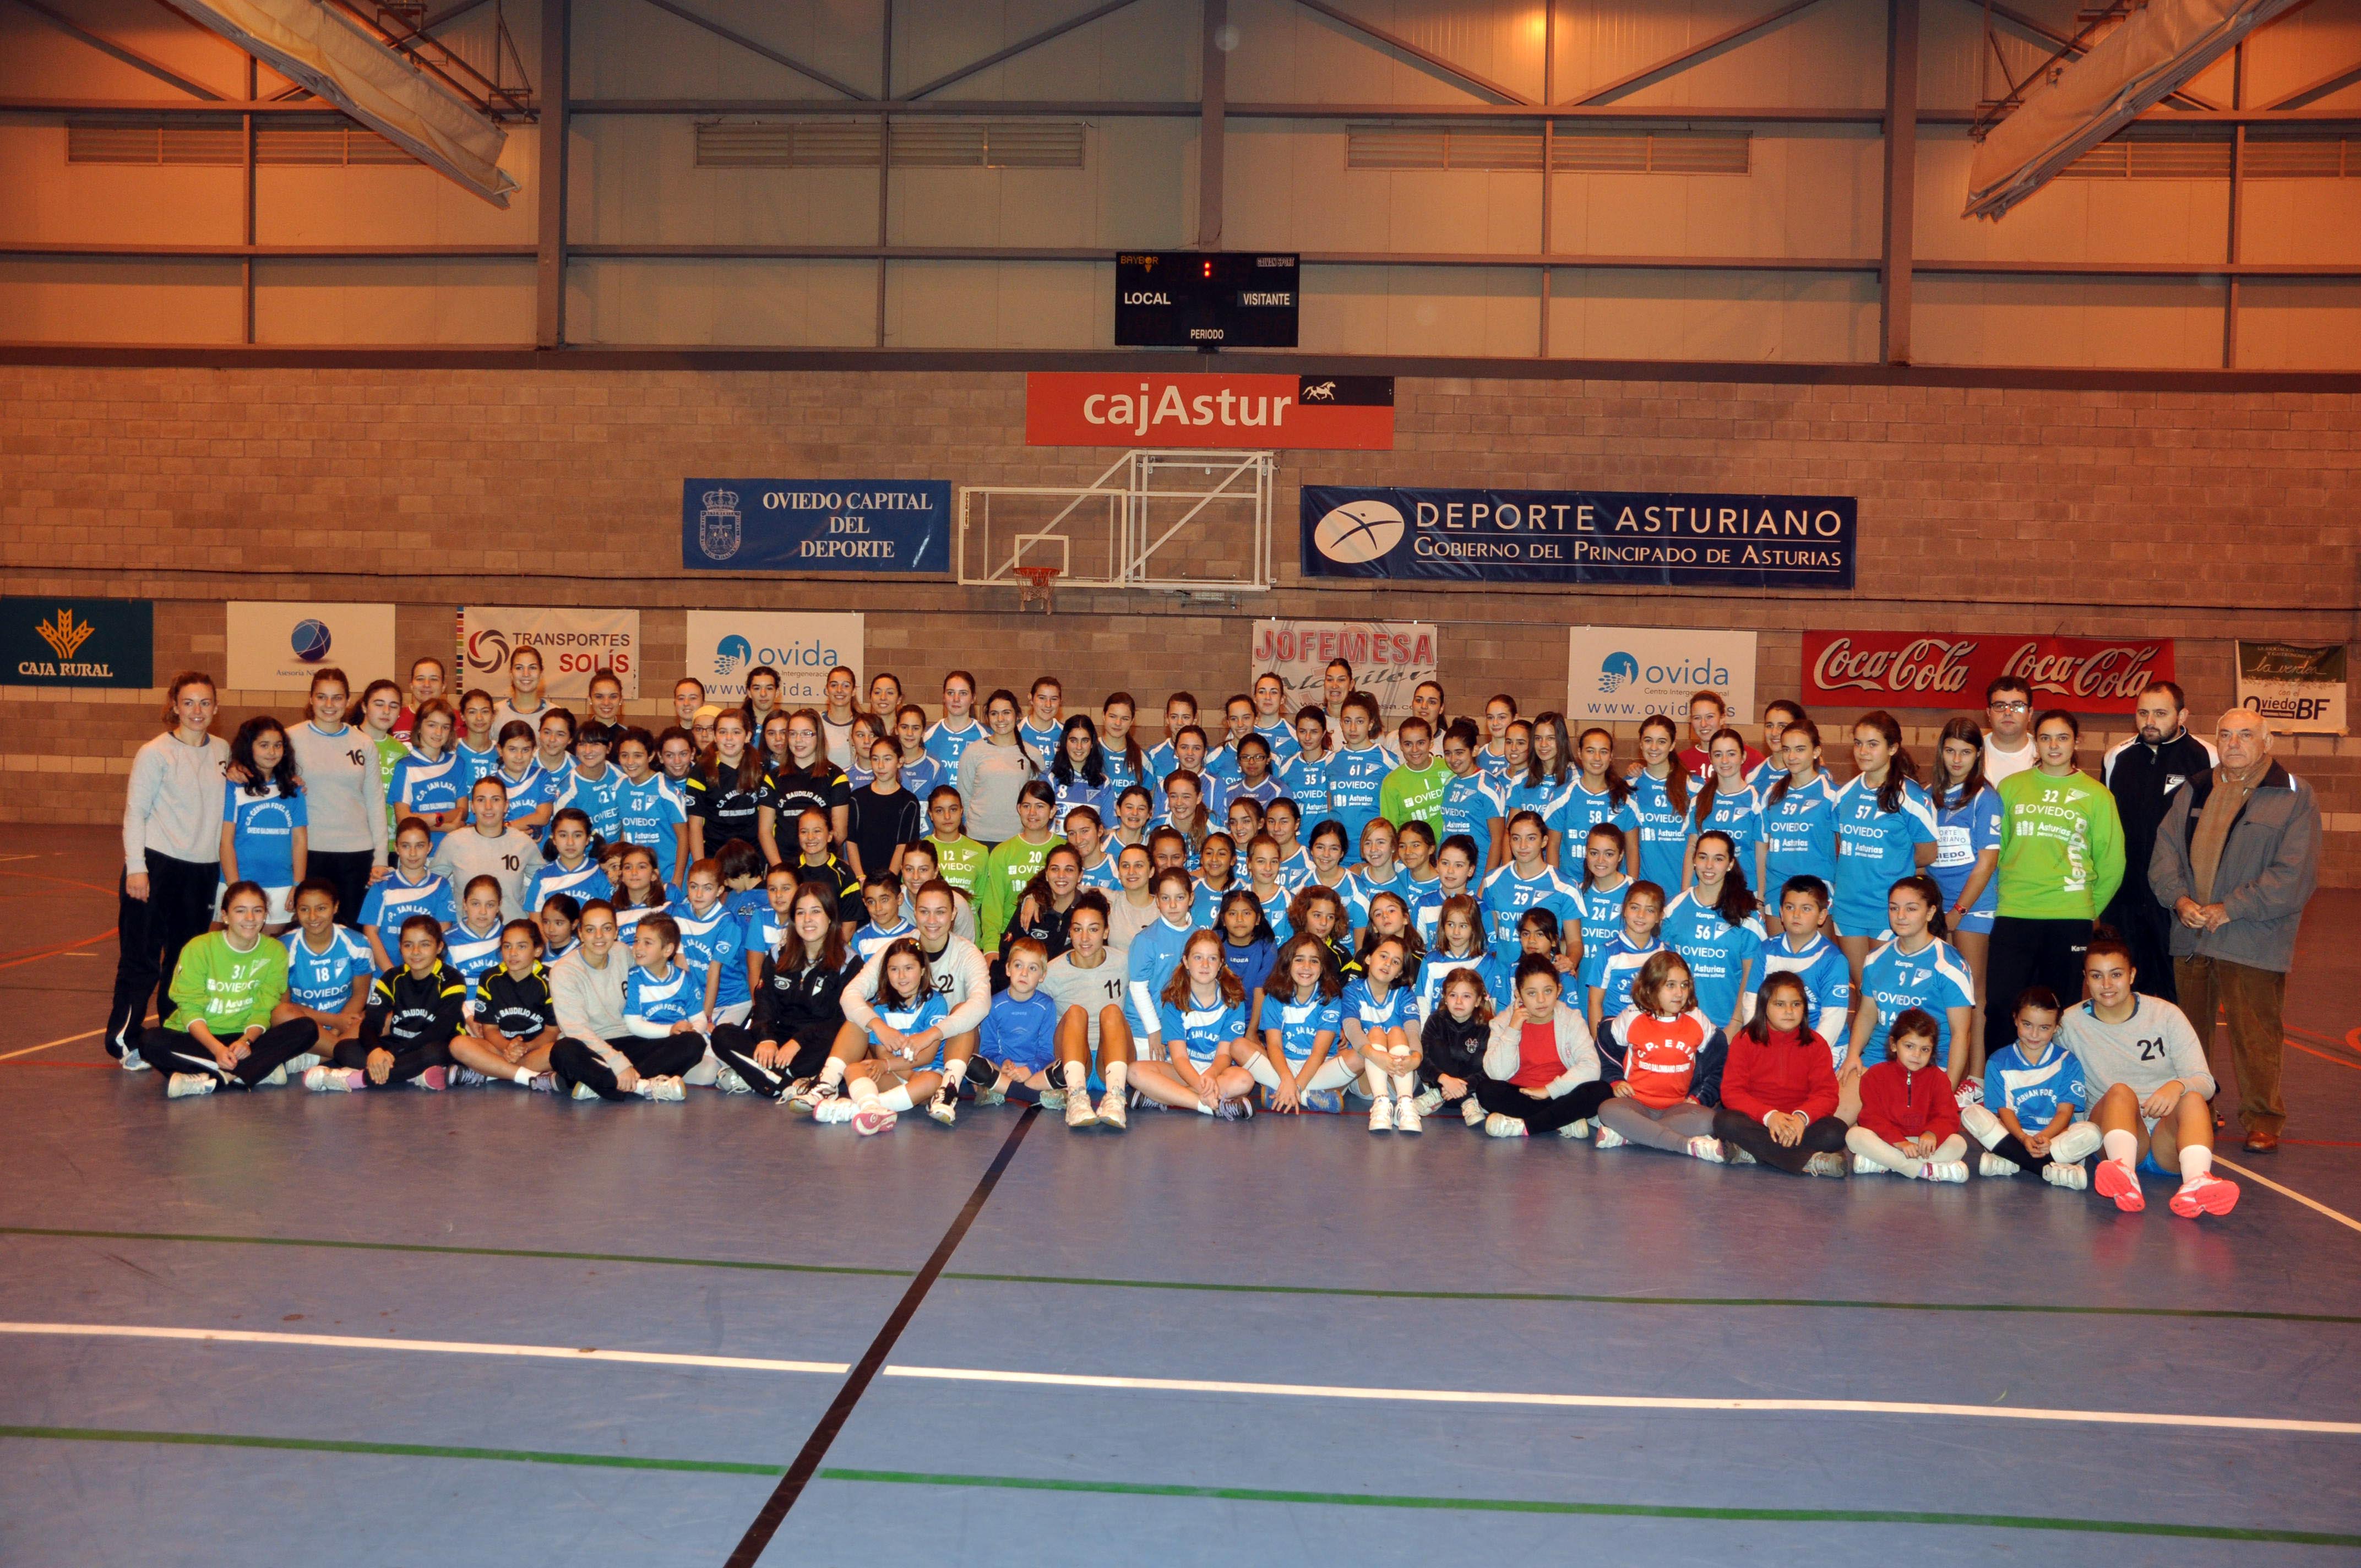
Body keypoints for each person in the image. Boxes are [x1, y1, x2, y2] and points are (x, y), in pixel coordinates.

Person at [2147, 706, 2318, 1153]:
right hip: (2192, 935)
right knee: (2189, 1035)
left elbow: (2294, 875)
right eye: (2226, 735)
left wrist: (2232, 908)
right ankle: (2197, 1109)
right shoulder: (2195, 788)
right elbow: (2165, 852)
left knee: (2256, 1034)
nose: (2234, 743)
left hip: (2252, 937)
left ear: (2267, 742)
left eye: (2246, 735)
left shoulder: (2294, 794)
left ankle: (2263, 1118)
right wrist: (2180, 900)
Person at [2058, 938, 2238, 1216]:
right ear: (2086, 978)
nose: (2107, 985)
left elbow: (2205, 1082)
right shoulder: (2069, 1024)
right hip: (2112, 1134)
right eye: (2096, 976)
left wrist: (2177, 1086)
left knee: (2192, 1098)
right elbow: (2047, 1074)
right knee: (2120, 1091)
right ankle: (2123, 1174)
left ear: (2132, 975)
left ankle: (2196, 1184)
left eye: (2116, 974)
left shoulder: (2166, 1015)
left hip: (2168, 1142)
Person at [1985, 709, 2124, 1063]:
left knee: (2061, 1009)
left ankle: (2057, 1080)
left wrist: (2087, 909)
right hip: (2015, 912)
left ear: (2076, 742)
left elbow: (2112, 863)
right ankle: (2001, 1078)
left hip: (2069, 916)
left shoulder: (2097, 795)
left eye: (2063, 738)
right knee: (2001, 1004)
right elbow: (1999, 850)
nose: (2054, 746)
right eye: (2046, 738)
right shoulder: (2012, 787)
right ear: (2036, 742)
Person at [110, 672, 232, 1068]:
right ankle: (124, 1042)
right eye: (189, 703)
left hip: (202, 873)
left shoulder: (224, 751)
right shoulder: (155, 752)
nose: (197, 711)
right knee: (141, 959)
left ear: (215, 707)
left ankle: (171, 1034)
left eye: (205, 703)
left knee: (183, 962)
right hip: (156, 866)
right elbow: (135, 813)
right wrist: (137, 867)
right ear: (175, 707)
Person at [146, 880, 322, 1099]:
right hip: (200, 1037)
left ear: (265, 915)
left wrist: (247, 1041)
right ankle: (258, 1070)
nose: (250, 918)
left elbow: (264, 1008)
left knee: (306, 1028)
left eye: (257, 910)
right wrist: (218, 1049)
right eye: (240, 911)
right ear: (225, 916)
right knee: (150, 1041)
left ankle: (219, 1078)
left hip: (244, 1038)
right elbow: (190, 1008)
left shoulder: (275, 951)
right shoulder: (200, 948)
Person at [2102, 681, 2218, 1006]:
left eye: (2160, 713)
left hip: (2179, 897)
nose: (2149, 721)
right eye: (2143, 713)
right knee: (2125, 985)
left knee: (2177, 989)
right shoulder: (2116, 757)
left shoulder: (2208, 757)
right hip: (2125, 896)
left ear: (2182, 715)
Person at [717, 879, 862, 1099]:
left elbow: (841, 1021)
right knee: (722, 1035)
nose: (808, 919)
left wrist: (798, 1042)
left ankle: (763, 1077)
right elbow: (764, 1003)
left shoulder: (849, 963)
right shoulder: (779, 954)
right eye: (801, 913)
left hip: (814, 1045)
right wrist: (767, 1039)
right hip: (778, 1041)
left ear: (830, 916)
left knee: (837, 1043)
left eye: (816, 911)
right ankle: (788, 1084)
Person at [1829, 711, 1936, 983]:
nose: (1863, 751)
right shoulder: (1844, 794)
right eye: (1858, 743)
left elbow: (1927, 853)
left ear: (1893, 748)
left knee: (1885, 988)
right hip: (1848, 906)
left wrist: (1892, 863)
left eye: (1873, 744)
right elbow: (1842, 847)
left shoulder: (1911, 797)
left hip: (1888, 908)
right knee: (1862, 987)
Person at [1959, 987, 2103, 1188]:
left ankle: (2012, 1161)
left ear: (2056, 1027)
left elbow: (2065, 1112)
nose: (2034, 1034)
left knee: (2092, 1133)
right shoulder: (1999, 1061)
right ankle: (2049, 1170)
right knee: (1971, 1113)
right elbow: (2005, 1111)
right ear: (2016, 1019)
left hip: (2053, 1139)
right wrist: (2023, 1138)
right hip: (2014, 1136)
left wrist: (2045, 1137)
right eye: (2027, 1024)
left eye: (2044, 1027)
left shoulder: (2068, 1062)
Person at [1708, 972, 1849, 1176]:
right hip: (1758, 1122)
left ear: (1805, 1008)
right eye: (1780, 1004)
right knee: (1725, 1122)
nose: (1789, 1011)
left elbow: (1826, 1095)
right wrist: (1770, 1116)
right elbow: (1732, 1093)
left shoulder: (1817, 1044)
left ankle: (1753, 1154)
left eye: (1796, 1004)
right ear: (1764, 1007)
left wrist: (1801, 1118)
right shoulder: (1745, 1040)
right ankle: (1808, 1161)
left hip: (1799, 1126)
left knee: (1836, 1131)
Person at [549, 913, 700, 1103]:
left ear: (616, 932)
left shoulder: (623, 953)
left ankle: (599, 1085)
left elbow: (655, 975)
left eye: (606, 928)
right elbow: (577, 1031)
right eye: (590, 930)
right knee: (562, 1051)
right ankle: (643, 1087)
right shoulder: (564, 971)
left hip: (630, 1040)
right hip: (593, 1048)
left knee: (693, 1041)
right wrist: (618, 1064)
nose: (599, 936)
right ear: (580, 933)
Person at [306, 913, 465, 1092]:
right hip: (398, 1044)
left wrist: (392, 1053)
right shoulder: (392, 977)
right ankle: (412, 1074)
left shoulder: (452, 979)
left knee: (436, 1053)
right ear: (400, 947)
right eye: (408, 945)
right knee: (344, 1049)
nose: (416, 952)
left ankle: (356, 1079)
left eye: (425, 944)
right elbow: (371, 1023)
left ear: (439, 947)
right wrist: (375, 1050)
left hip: (433, 1044)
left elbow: (441, 1030)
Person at [1592, 950, 1726, 1159]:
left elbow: (1719, 1065)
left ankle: (1631, 1135)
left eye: (1684, 985)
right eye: (1670, 985)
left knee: (1710, 1121)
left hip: (1678, 1109)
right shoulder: (1632, 1016)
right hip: (1635, 1105)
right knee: (1607, 1110)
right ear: (1650, 987)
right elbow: (1605, 1045)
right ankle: (1686, 1146)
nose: (1679, 993)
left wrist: (1699, 1098)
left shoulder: (1697, 1020)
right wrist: (1615, 1080)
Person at [1849, 874, 1975, 1085]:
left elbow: (1961, 1034)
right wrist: (1853, 1056)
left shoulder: (1949, 964)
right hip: (1879, 1057)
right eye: (1894, 908)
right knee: (1837, 1105)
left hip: (1927, 1061)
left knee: (1901, 1107)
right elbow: (1867, 1014)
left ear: (1930, 912)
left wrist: (1947, 1089)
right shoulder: (1875, 959)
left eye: (1911, 909)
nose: (1900, 916)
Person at [287, 668, 389, 927]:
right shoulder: (290, 739)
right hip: (308, 851)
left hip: (356, 854)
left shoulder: (364, 743)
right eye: (322, 697)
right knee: (309, 927)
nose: (329, 705)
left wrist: (380, 858)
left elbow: (375, 802)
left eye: (337, 698)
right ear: (311, 699)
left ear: (348, 700)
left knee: (352, 929)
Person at [1929, 716, 2001, 1073]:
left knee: (1973, 994)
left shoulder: (1986, 798)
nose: (1957, 760)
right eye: (1950, 751)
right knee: (1942, 991)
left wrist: (1957, 911)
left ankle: (1976, 1076)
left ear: (1978, 755)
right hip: (1937, 908)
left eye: (1966, 752)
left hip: (1973, 907)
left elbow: (1986, 864)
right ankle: (1942, 1068)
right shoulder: (1930, 795)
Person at [1473, 955, 1607, 1139]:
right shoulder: (1504, 1021)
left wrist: (1549, 1090)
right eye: (1532, 993)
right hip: (1522, 1096)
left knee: (1601, 1091)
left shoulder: (1572, 1019)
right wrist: (1513, 1029)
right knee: (1486, 1090)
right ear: (1518, 995)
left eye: (1548, 991)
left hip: (1561, 1094)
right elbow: (1497, 1073)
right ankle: (1563, 1120)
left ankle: (1526, 1126)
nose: (1542, 1000)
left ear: (1559, 991)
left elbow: (1591, 1067)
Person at [1131, 929, 1260, 1119]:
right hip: (1182, 1071)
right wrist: (1201, 1087)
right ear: (1186, 961)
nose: (1205, 965)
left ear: (1221, 963)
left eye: (1212, 959)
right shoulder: (1175, 1001)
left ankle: (1163, 1097)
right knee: (1135, 1072)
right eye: (1198, 957)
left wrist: (1211, 1074)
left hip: (1217, 1072)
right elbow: (1179, 1058)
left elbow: (1224, 1055)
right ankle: (1209, 1106)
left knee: (1244, 1080)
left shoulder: (1232, 1001)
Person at [1656, 831, 1762, 1037]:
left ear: (1730, 864)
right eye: (1703, 857)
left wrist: (1736, 1023)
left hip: (1726, 1025)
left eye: (1719, 859)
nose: (1709, 866)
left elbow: (1751, 974)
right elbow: (1660, 967)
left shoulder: (1747, 914)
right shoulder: (1673, 908)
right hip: (1678, 1023)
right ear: (1694, 860)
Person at [1845, 1008, 1969, 1181]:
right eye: (1909, 1046)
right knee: (1854, 1136)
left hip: (1922, 1144)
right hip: (1888, 1141)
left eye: (1925, 1049)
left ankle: (1884, 1163)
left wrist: (1932, 1133)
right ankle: (1923, 1171)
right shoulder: (1874, 1075)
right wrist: (1899, 1142)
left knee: (1958, 1143)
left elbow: (1948, 1116)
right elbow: (1870, 1118)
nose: (1917, 1055)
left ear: (1932, 1051)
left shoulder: (1939, 1078)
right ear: (1894, 1045)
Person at [1250, 933, 1362, 1114]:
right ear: (1287, 963)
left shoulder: (1330, 999)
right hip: (1284, 1064)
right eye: (1299, 960)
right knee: (1239, 1046)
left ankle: (1283, 1094)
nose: (1307, 967)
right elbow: (1274, 1046)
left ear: (1323, 967)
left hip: (1320, 1067)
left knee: (1360, 1056)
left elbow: (1319, 1052)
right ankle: (1307, 1097)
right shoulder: (1274, 998)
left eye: (1314, 961)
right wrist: (1287, 1078)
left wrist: (1296, 1086)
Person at [448, 919, 562, 1090]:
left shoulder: (550, 978)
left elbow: (552, 1032)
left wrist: (526, 1047)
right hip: (500, 1048)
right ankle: (530, 1077)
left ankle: (489, 1072)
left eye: (522, 947)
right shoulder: (490, 978)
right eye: (507, 946)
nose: (513, 953)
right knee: (458, 1045)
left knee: (560, 1052)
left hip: (535, 1049)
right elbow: (489, 1030)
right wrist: (508, 1047)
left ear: (537, 950)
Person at [218, 715, 306, 934]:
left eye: (278, 745)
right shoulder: (235, 786)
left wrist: (298, 884)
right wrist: (235, 887)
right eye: (264, 745)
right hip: (238, 881)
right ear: (249, 747)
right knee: (230, 945)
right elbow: (226, 841)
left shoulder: (293, 789)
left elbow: (299, 841)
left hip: (281, 884)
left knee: (270, 947)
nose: (272, 752)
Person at [274, 879, 374, 1061]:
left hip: (347, 1022)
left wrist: (336, 1030)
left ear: (335, 907)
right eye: (305, 909)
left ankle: (315, 1059)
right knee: (281, 1014)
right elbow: (286, 1005)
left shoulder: (358, 944)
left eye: (321, 908)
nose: (313, 917)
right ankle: (345, 1054)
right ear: (296, 911)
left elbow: (360, 995)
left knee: (378, 1017)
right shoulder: (283, 948)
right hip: (305, 1025)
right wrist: (333, 1022)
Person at [1754, 875, 1849, 1050]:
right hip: (1775, 1043)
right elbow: (1752, 1001)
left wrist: (1807, 1056)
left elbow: (1833, 1018)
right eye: (1790, 907)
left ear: (1822, 916)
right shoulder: (1766, 950)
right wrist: (1759, 1041)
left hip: (1824, 1046)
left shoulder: (1833, 959)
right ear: (1781, 913)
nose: (1796, 915)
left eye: (1806, 909)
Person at [1341, 934, 1423, 1132]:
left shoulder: (1404, 994)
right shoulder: (1352, 990)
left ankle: (1405, 1104)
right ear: (1368, 959)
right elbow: (1352, 1029)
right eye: (1383, 956)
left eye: (1395, 962)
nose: (1388, 964)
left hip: (1401, 1076)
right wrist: (1376, 1055)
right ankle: (1381, 1103)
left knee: (1397, 1032)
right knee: (1376, 1033)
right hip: (1367, 1081)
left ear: (1399, 972)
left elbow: (1413, 1032)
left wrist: (1416, 1059)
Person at [429, 775, 539, 921]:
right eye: (481, 800)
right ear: (472, 806)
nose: (488, 807)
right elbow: (430, 888)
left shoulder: (523, 843)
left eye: (496, 799)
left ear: (506, 805)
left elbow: (547, 884)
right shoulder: (454, 842)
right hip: (468, 932)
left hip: (512, 931)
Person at [358, 817, 459, 968]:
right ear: (396, 847)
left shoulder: (440, 886)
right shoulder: (382, 885)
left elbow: (441, 934)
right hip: (385, 974)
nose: (413, 853)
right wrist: (391, 974)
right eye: (406, 846)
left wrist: (425, 975)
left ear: (429, 847)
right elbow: (370, 933)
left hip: (426, 974)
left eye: (420, 846)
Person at [1757, 718, 1836, 898]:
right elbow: (1762, 847)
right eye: (1786, 749)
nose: (1791, 757)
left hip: (1816, 890)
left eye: (1800, 749)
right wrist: (1761, 895)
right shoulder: (1771, 794)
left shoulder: (1832, 795)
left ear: (1816, 752)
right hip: (1776, 889)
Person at [1481, 812, 1582, 951]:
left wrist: (1569, 961)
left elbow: (1574, 943)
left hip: (1544, 965)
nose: (1523, 846)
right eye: (1516, 838)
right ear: (1509, 840)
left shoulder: (1566, 887)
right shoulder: (1493, 880)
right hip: (1502, 966)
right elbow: (1489, 937)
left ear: (1544, 841)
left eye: (1531, 838)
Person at [758, 709, 850, 858]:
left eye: (806, 734)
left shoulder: (836, 776)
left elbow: (840, 832)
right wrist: (779, 867)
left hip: (820, 863)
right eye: (793, 734)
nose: (798, 740)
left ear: (819, 736)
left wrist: (816, 862)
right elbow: (765, 832)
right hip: (784, 864)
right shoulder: (773, 778)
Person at [611, 728, 691, 890]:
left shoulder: (666, 790)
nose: (630, 762)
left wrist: (677, 879)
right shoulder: (620, 786)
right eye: (624, 755)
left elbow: (684, 838)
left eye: (637, 756)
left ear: (651, 755)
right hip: (636, 876)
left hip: (667, 874)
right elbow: (626, 829)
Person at [1683, 729, 1761, 893]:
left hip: (1744, 891)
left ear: (1743, 757)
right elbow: (1692, 848)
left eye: (1731, 754)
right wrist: (1685, 893)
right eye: (1718, 755)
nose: (1725, 761)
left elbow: (1761, 854)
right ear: (1711, 758)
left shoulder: (1757, 800)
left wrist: (1760, 897)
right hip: (1704, 891)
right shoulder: (1700, 800)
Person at [1416, 965, 1494, 1127]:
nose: (1459, 1002)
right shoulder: (1436, 1020)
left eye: (1466, 996)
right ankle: (1464, 1100)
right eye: (1453, 995)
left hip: (1472, 1089)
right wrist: (1443, 1079)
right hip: (1442, 1083)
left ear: (1478, 1000)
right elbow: (1423, 1061)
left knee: (1482, 1057)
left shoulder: (1487, 1027)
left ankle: (1450, 1097)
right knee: (1437, 1046)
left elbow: (1490, 1070)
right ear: (1445, 997)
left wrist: (1463, 1087)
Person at [686, 710, 767, 865]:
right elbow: (695, 826)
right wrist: (701, 866)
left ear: (748, 736)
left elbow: (766, 824)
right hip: (715, 857)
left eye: (736, 732)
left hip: (753, 858)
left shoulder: (760, 769)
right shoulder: (701, 771)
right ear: (715, 736)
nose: (729, 738)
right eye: (723, 732)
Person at [1586, 880, 1666, 1032]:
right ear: (1624, 910)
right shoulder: (1608, 952)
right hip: (1616, 1037)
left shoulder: (1665, 953)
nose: (1641, 915)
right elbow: (1594, 1003)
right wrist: (1600, 1041)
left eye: (1650, 910)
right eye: (1635, 908)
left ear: (1659, 916)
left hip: (1654, 1036)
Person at [1624, 715, 1690, 895]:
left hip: (1681, 889)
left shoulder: (1693, 786)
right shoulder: (1628, 786)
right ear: (1640, 744)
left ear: (1673, 745)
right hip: (1641, 892)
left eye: (1662, 741)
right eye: (1648, 741)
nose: (1654, 748)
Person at [846, 733, 923, 881]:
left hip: (892, 880)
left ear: (900, 761)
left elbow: (903, 845)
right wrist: (860, 878)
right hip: (862, 878)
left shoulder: (909, 802)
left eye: (887, 759)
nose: (881, 766)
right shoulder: (857, 798)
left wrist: (889, 881)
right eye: (875, 759)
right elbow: (851, 841)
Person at [1555, 727, 1630, 880]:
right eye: (1590, 751)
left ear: (1611, 756)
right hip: (1570, 884)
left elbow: (1632, 849)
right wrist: (1556, 886)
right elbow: (1553, 846)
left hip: (1612, 885)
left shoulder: (1625, 796)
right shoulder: (1562, 795)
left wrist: (1630, 888)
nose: (1597, 758)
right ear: (1579, 753)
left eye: (1604, 752)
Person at [390, 699, 468, 846]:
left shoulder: (457, 763)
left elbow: (462, 812)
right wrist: (444, 825)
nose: (439, 733)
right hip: (417, 851)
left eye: (445, 727)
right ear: (419, 727)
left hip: (453, 848)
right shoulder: (404, 766)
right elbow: (404, 820)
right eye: (432, 725)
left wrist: (430, 818)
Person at [1326, 694, 1395, 851]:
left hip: (1374, 851)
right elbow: (1330, 807)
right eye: (1347, 721)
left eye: (1360, 721)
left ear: (1371, 724)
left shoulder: (1388, 760)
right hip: (1339, 851)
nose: (1353, 728)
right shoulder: (1331, 761)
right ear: (1341, 723)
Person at [1438, 720, 1508, 870]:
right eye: (1448, 753)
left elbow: (1498, 839)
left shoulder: (1488, 785)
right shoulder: (1450, 783)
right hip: (1449, 870)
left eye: (1459, 752)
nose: (1453, 759)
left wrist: (1487, 879)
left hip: (1478, 870)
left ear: (1475, 751)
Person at [1378, 717, 1449, 840]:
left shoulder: (1449, 769)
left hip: (1450, 849)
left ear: (1431, 742)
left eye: (1421, 743)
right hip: (1412, 850)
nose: (1415, 750)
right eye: (1408, 744)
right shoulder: (1391, 782)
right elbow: (1390, 831)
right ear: (1400, 745)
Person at [1677, 690, 1762, 781]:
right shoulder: (1681, 761)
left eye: (1710, 717)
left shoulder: (1752, 758)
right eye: (1697, 718)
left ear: (1722, 718)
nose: (1703, 724)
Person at [924, 670, 985, 770]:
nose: (956, 699)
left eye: (963, 693)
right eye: (951, 693)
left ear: (973, 698)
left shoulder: (986, 736)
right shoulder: (927, 736)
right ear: (944, 697)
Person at [1982, 677, 2037, 786]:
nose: (2008, 712)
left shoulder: (2044, 755)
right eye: (2000, 706)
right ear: (1989, 713)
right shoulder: (1972, 753)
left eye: (2017, 706)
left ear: (2030, 713)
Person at [492, 646, 550, 731]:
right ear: (511, 673)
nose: (526, 674)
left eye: (532, 668)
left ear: (541, 673)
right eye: (519, 668)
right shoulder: (495, 714)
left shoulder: (555, 715)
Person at [394, 655, 446, 741]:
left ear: (443, 687)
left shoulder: (458, 720)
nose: (427, 684)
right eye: (420, 679)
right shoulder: (393, 718)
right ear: (411, 686)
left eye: (434, 679)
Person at [820, 663, 861, 768]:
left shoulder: (864, 724)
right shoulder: (816, 721)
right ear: (827, 690)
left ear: (854, 691)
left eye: (846, 686)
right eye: (834, 685)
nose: (839, 690)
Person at [1017, 674, 1064, 763]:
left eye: (1054, 699)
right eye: (1042, 698)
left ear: (1060, 702)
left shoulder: (1066, 733)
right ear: (1031, 698)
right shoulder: (1016, 730)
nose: (1048, 705)